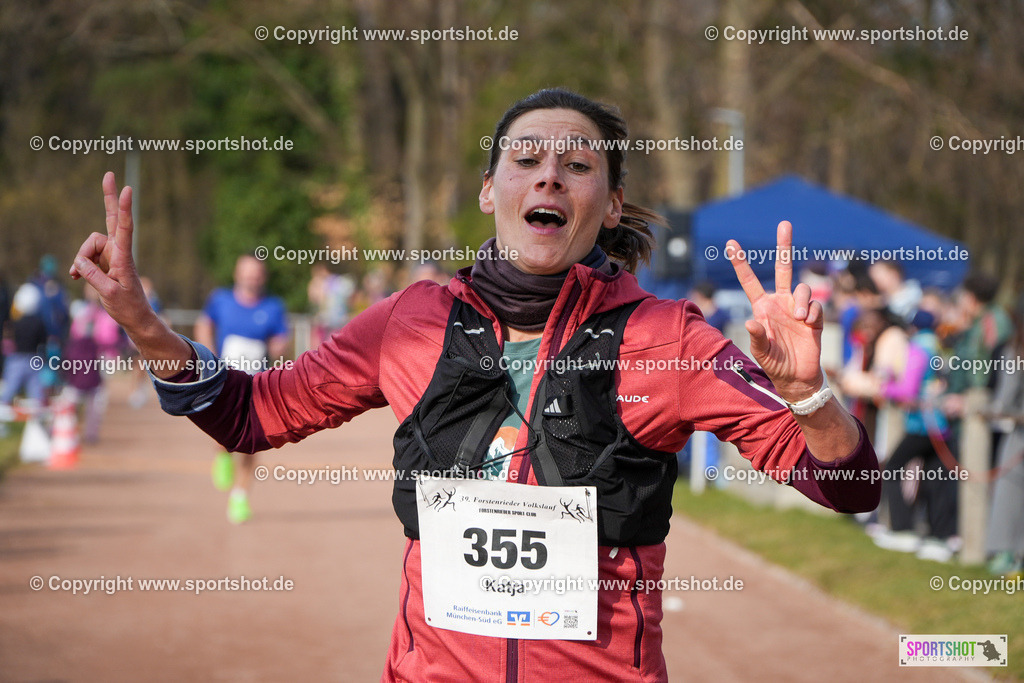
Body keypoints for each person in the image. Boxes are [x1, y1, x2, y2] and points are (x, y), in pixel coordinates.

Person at [71, 89, 880, 681]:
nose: (549, 179)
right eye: (525, 161)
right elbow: (250, 412)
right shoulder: (410, 321)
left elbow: (848, 487)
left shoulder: (667, 337)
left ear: (611, 201)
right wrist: (146, 326)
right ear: (491, 191)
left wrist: (810, 394)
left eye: (577, 165)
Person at [194, 255, 289, 523]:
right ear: (237, 274)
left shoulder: (273, 306)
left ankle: (240, 497)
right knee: (220, 432)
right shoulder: (220, 299)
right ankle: (222, 455)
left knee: (253, 440)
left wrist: (280, 347)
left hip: (255, 385)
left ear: (263, 277)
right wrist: (208, 353)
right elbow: (204, 324)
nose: (252, 278)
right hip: (223, 380)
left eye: (257, 273)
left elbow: (280, 338)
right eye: (247, 272)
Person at [0, 283, 49, 434]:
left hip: (15, 360)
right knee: (36, 395)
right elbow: (43, 341)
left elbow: (9, 339)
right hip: (34, 360)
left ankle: (2, 424)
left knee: (7, 393)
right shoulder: (39, 322)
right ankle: (39, 427)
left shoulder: (15, 322)